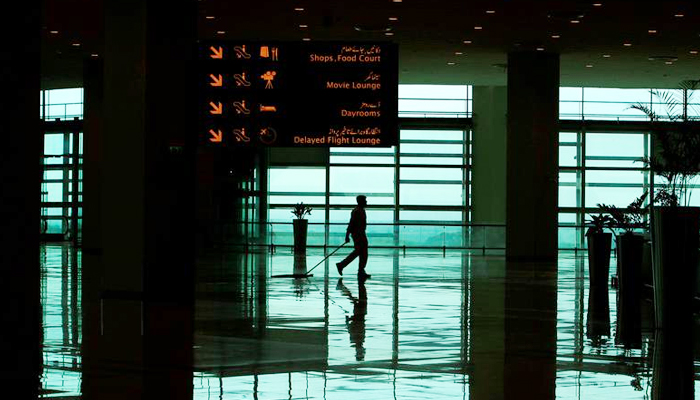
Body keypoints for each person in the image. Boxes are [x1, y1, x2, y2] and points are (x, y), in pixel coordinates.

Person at [336, 195, 370, 280]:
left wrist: (348, 235)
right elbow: (351, 224)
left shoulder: (360, 210)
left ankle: (346, 266)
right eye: (365, 200)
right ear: (361, 201)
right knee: (361, 252)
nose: (366, 202)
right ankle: (345, 265)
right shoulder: (357, 211)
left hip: (359, 234)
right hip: (358, 234)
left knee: (360, 252)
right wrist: (347, 235)